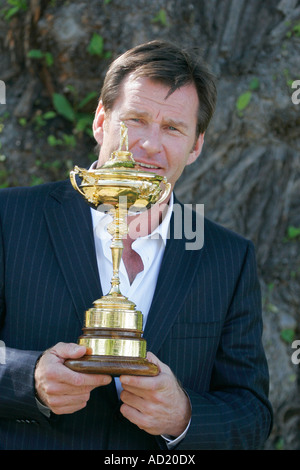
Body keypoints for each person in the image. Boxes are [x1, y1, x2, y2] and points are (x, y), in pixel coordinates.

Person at [0, 40, 272, 450]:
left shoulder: (228, 258)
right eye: (135, 120)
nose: (147, 144)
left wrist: (183, 415)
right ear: (100, 121)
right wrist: (28, 377)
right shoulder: (9, 218)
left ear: (196, 145)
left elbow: (251, 415)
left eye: (172, 128)